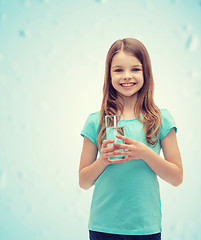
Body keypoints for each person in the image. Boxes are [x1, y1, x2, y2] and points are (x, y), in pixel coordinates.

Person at [79, 38, 183, 240]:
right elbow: (83, 181)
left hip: (145, 227)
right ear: (109, 75)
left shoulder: (160, 119)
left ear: (146, 73)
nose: (127, 76)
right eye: (118, 70)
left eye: (135, 69)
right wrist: (104, 160)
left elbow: (177, 178)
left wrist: (144, 153)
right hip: (103, 226)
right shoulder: (96, 121)